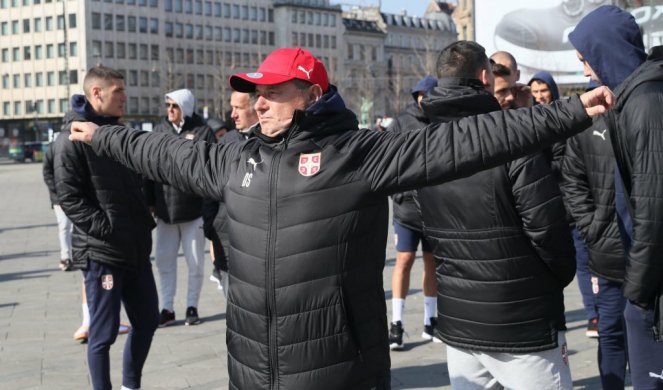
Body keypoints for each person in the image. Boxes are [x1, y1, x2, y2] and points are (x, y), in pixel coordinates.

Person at [68, 48, 613, 389]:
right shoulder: (236, 156)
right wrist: (102, 134)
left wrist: (566, 112)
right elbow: (166, 155)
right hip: (251, 367)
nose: (259, 103)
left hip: (338, 366)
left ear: (310, 93)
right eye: (257, 93)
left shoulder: (358, 154)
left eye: (274, 92)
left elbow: (466, 141)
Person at [416, 40, 574, 389]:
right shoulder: (513, 139)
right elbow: (548, 229)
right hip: (522, 323)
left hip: (460, 320)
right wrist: (556, 278)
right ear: (484, 77)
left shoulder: (424, 146)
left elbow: (421, 221)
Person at [570, 6, 663, 389]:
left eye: (586, 58)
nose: (585, 70)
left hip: (649, 286)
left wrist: (637, 293)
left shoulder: (645, 102)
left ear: (604, 49)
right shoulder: (633, 98)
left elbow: (654, 209)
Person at [54, 65, 159, 390]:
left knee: (148, 321)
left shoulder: (119, 133)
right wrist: (108, 228)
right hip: (104, 253)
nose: (125, 97)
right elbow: (68, 197)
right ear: (96, 93)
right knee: (102, 334)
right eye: (118, 91)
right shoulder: (70, 139)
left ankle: (131, 385)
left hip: (137, 249)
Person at [561, 80, 628, 390]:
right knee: (611, 332)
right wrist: (592, 227)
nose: (583, 64)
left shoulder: (646, 107)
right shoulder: (586, 126)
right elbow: (572, 180)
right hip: (608, 254)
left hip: (650, 253)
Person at [528, 72, 601, 339]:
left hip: (570, 205)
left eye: (543, 90)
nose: (539, 97)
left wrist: (546, 165)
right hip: (543, 208)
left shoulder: (566, 116)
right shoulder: (528, 121)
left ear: (553, 90)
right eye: (535, 92)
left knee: (583, 262)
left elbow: (572, 161)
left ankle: (594, 314)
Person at [144, 88, 215, 327]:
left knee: (195, 262)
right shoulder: (160, 131)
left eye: (174, 106)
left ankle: (192, 306)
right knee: (164, 261)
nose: (170, 111)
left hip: (193, 209)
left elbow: (210, 170)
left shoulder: (202, 131)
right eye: (168, 106)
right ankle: (167, 308)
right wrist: (150, 202)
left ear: (185, 107)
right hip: (165, 210)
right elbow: (148, 168)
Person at [386, 75, 439, 350]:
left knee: (431, 261)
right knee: (404, 259)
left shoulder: (442, 120)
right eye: (421, 96)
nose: (425, 100)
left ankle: (432, 320)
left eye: (429, 96)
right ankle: (396, 323)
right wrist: (399, 193)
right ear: (416, 96)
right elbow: (388, 160)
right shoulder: (401, 122)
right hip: (406, 207)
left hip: (435, 206)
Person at [42, 134, 74, 271]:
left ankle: (72, 256)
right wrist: (57, 190)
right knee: (65, 225)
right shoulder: (52, 150)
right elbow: (47, 172)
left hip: (74, 195)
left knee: (72, 228)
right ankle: (65, 257)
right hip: (59, 197)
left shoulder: (72, 147)